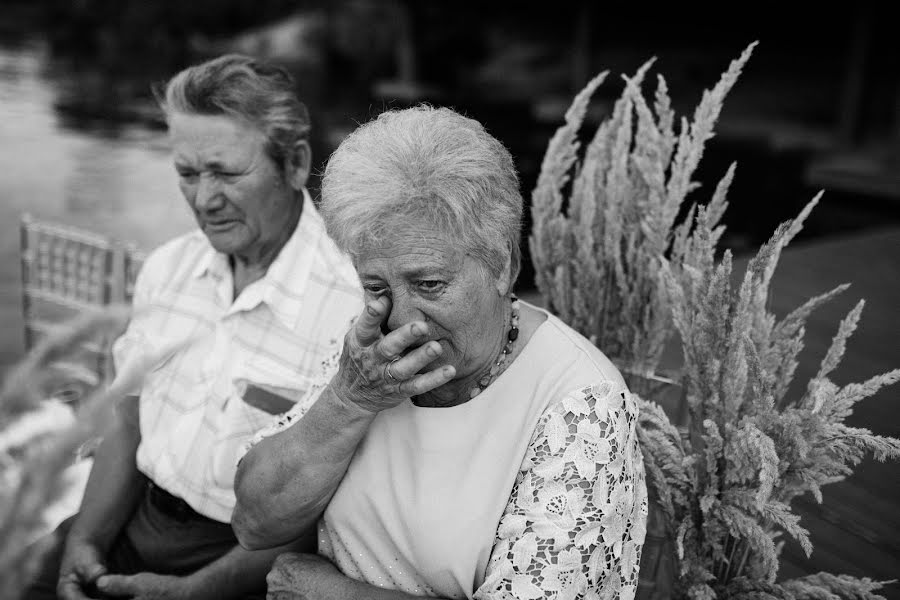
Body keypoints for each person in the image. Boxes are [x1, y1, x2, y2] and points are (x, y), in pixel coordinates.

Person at [233, 106, 648, 599]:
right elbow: (254, 522)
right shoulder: (370, 356)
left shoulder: (579, 405)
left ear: (503, 264)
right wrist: (348, 401)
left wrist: (333, 594)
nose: (403, 320)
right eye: (376, 285)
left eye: (429, 284)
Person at [25, 54, 363, 599]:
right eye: (186, 173)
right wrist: (83, 543)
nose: (204, 200)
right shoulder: (167, 269)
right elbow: (130, 420)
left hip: (247, 562)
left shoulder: (350, 307)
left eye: (227, 173)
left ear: (296, 164)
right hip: (136, 517)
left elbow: (321, 510)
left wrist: (197, 592)